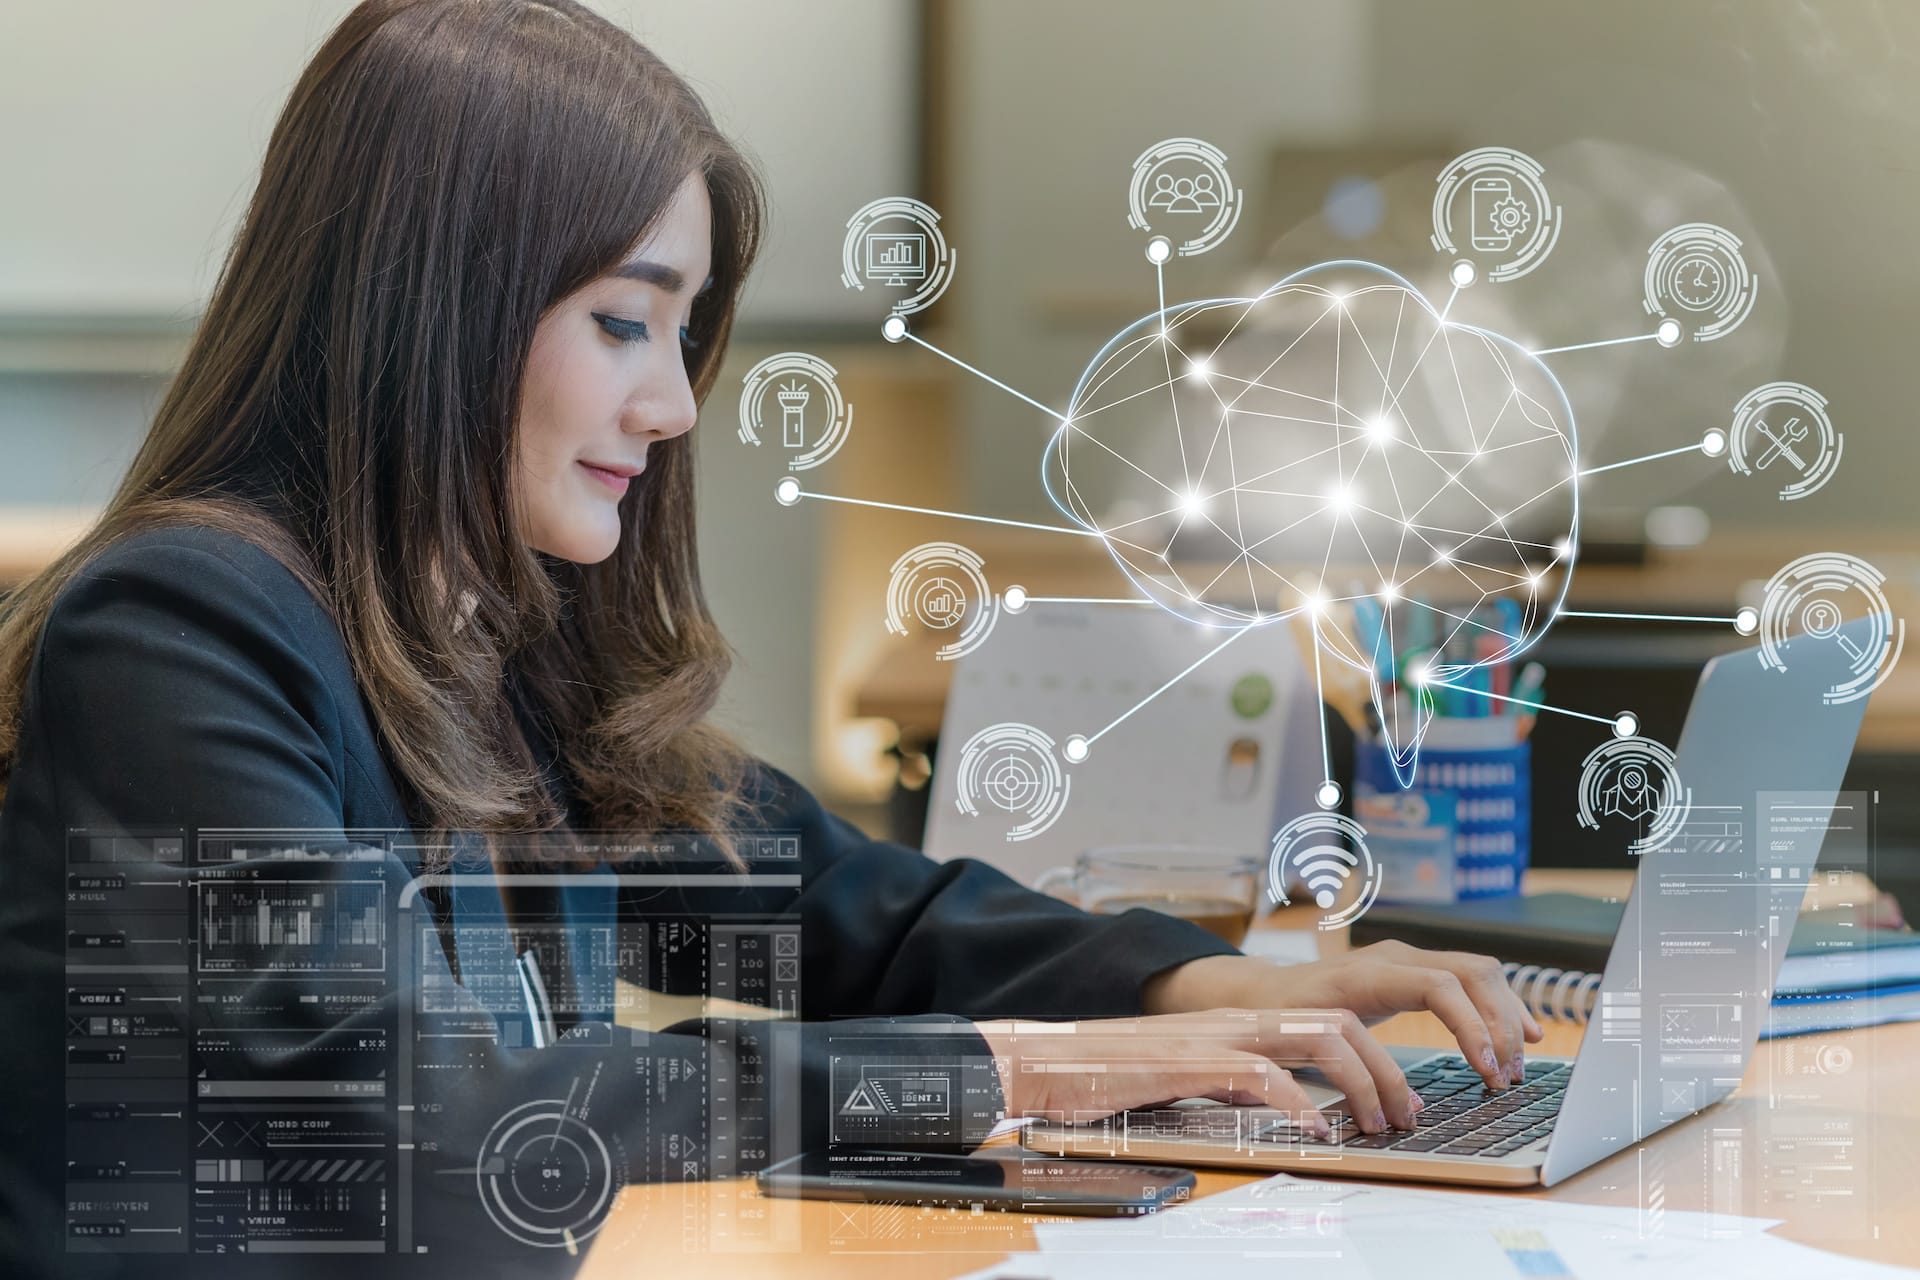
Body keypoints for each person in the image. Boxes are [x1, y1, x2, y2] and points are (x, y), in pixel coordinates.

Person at [0, 2, 1539, 1275]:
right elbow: (443, 1122)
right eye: (623, 321)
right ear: (436, 304)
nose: (671, 408)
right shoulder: (178, 638)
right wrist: (1017, 1071)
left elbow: (839, 900)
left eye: (682, 337)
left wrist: (1182, 991)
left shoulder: (487, 643)